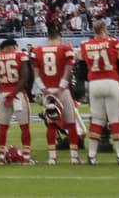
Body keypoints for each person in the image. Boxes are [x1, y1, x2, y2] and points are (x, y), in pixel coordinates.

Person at [78, 19, 119, 165]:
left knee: (97, 120)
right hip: (112, 81)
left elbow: (80, 65)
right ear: (104, 29)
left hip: (94, 83)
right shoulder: (114, 42)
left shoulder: (84, 44)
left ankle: (92, 156)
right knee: (114, 120)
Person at [33, 26, 81, 165]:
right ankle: (74, 157)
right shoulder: (65, 49)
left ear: (48, 38)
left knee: (51, 124)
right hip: (62, 90)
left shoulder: (38, 51)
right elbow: (69, 70)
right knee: (71, 123)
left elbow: (36, 74)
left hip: (47, 89)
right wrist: (61, 86)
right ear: (59, 38)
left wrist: (44, 89)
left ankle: (52, 157)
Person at [0, 38, 33, 164]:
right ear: (14, 46)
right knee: (24, 127)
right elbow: (24, 77)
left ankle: (1, 157)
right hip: (18, 94)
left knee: (3, 126)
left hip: (3, 94)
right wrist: (13, 94)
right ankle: (26, 157)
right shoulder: (20, 55)